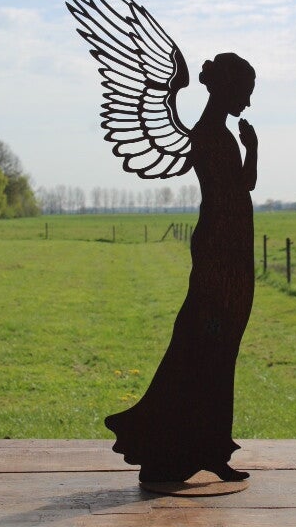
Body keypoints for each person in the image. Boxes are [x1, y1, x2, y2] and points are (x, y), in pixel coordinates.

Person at [105, 52, 257, 483]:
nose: (247, 102)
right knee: (206, 347)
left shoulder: (221, 134)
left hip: (231, 252)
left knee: (219, 350)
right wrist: (251, 150)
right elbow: (235, 188)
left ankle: (208, 447)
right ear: (226, 87)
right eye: (244, 92)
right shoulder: (208, 135)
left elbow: (243, 186)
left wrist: (252, 149)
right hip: (219, 255)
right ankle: (176, 447)